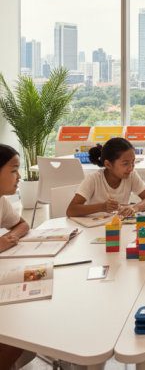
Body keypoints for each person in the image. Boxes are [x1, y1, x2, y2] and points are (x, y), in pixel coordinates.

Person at [0, 145, 35, 370]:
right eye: (14, 170)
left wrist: (9, 237)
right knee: (20, 332)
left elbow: (22, 224)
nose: (19, 177)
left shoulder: (1, 201)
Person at [66, 138, 145, 218]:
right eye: (125, 163)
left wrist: (134, 208)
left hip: (119, 226)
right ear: (108, 164)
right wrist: (102, 207)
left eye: (133, 162)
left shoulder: (130, 175)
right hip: (94, 228)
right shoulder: (93, 179)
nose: (131, 168)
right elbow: (71, 210)